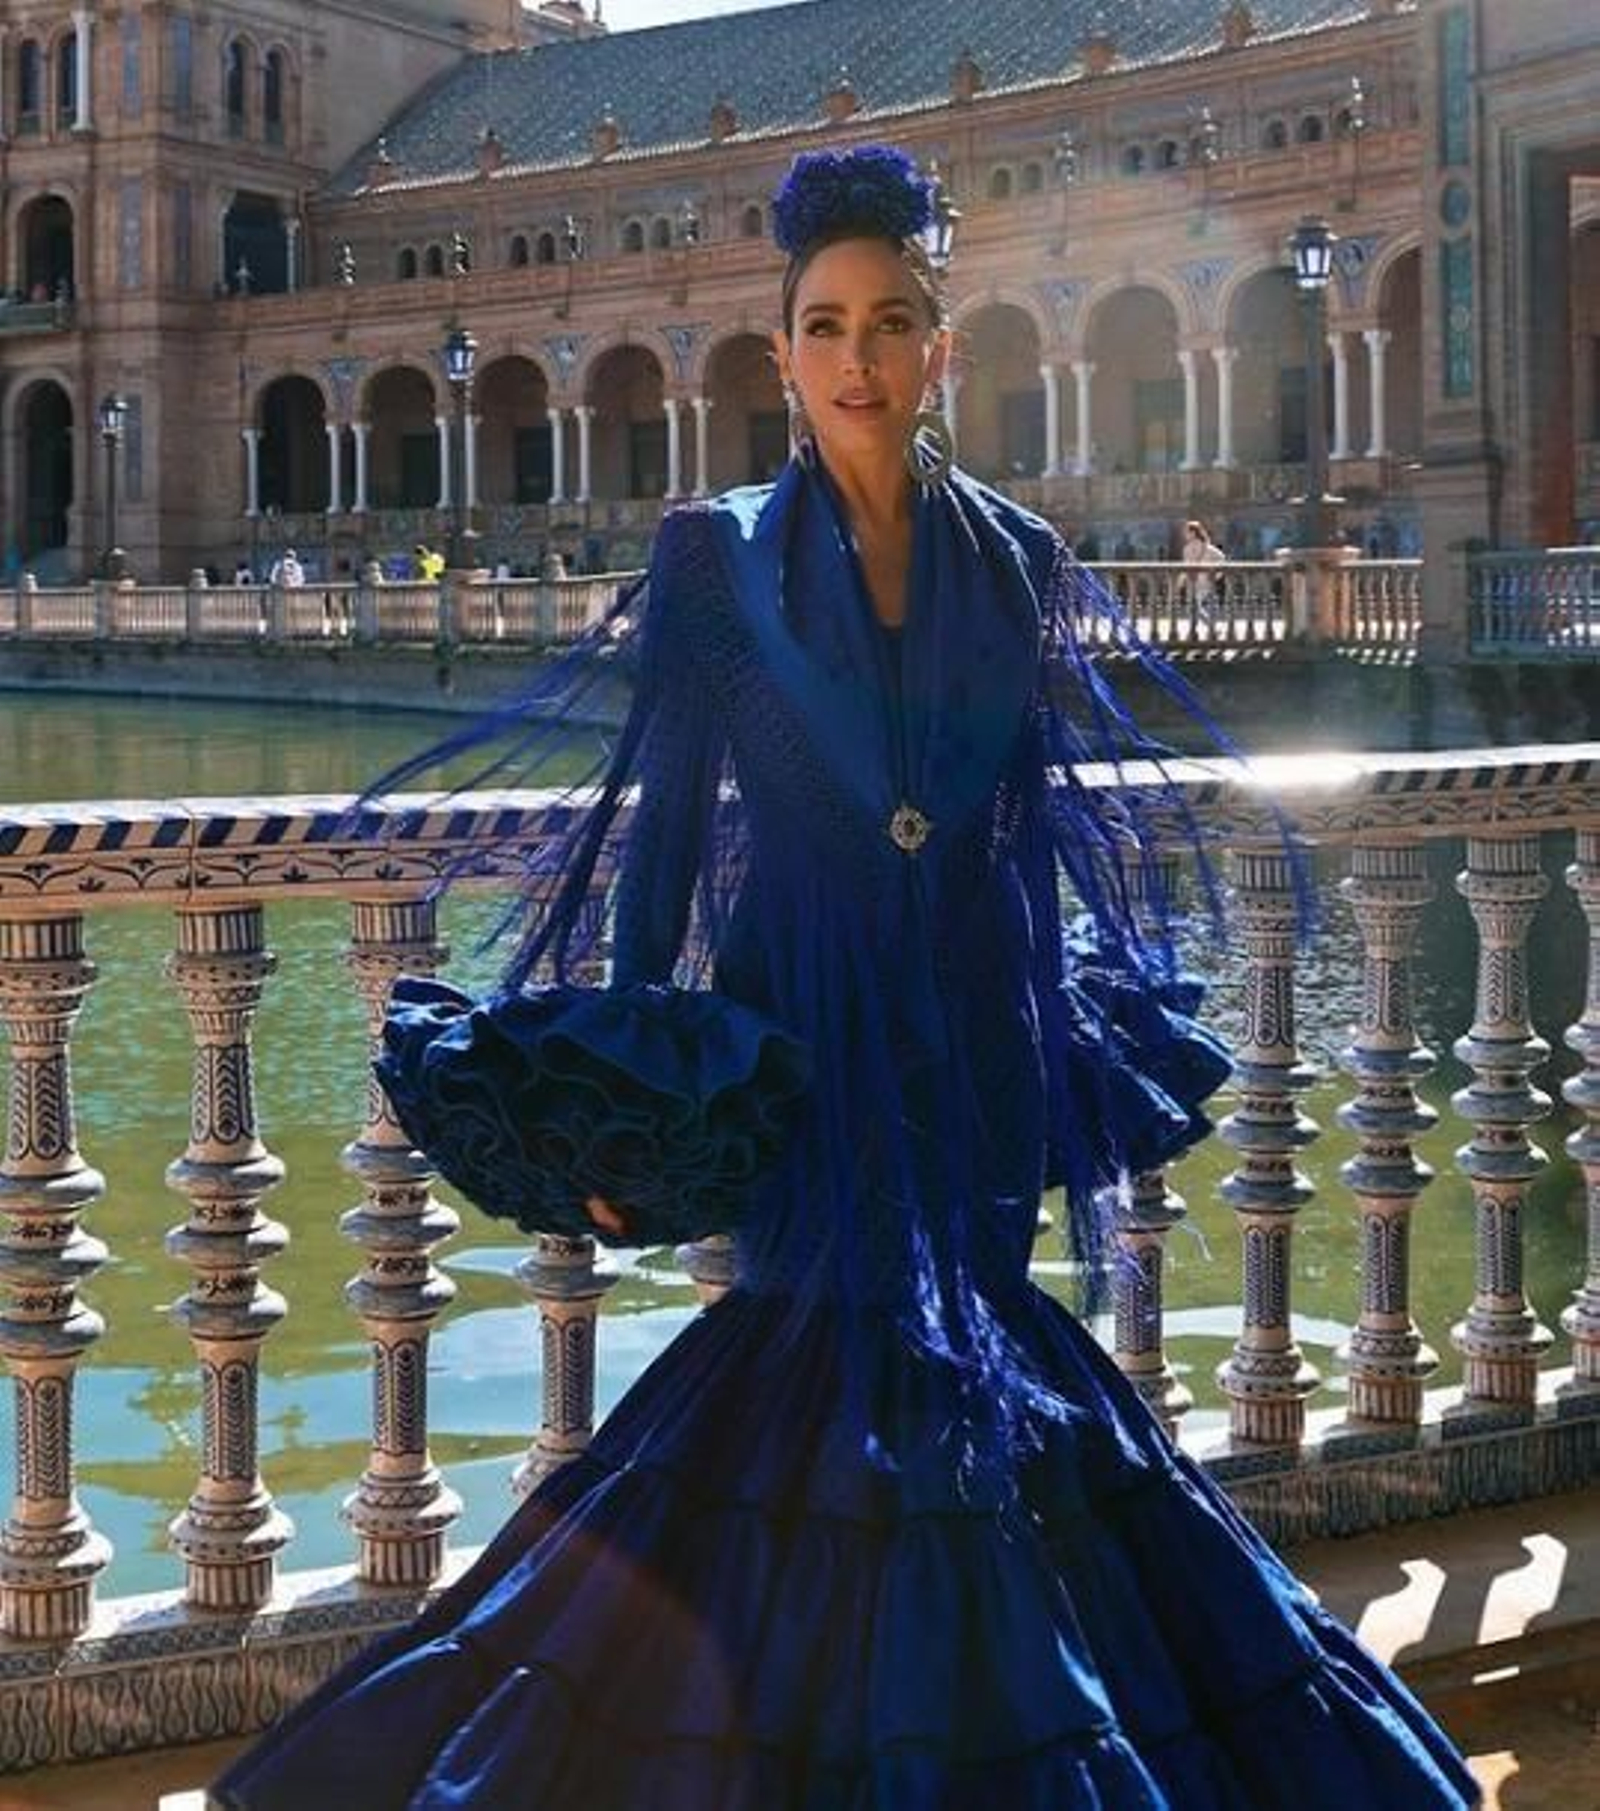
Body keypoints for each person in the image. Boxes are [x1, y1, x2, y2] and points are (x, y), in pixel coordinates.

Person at [215, 147, 1477, 1810]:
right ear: (783, 348)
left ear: (942, 346)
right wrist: (621, 1094)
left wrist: (1052, 1040)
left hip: (964, 1044)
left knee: (971, 1389)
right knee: (818, 1384)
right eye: (825, 324)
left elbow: (1024, 826)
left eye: (892, 322)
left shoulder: (1017, 555)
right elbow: (658, 842)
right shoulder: (710, 556)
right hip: (793, 1047)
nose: (859, 355)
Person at [1181, 518, 1228, 625]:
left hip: (1203, 582)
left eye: (1186, 532)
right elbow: (1186, 566)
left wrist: (1215, 575)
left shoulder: (1207, 548)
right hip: (1192, 582)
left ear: (1193, 533)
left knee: (1194, 606)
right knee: (1193, 607)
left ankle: (1209, 626)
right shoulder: (1186, 548)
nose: (1185, 535)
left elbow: (1222, 559)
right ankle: (1206, 626)